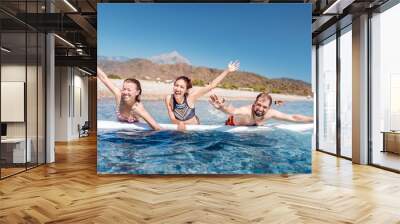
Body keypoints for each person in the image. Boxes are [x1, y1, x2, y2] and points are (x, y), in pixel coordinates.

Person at [165, 61, 240, 131]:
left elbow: (212, 85)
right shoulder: (169, 99)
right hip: (181, 129)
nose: (178, 88)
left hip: (195, 131)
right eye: (176, 85)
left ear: (186, 90)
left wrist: (227, 70)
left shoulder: (191, 97)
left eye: (181, 87)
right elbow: (172, 118)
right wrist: (180, 123)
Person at [209, 92, 313, 126]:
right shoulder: (246, 111)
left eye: (264, 107)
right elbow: (233, 111)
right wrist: (222, 107)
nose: (260, 109)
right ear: (254, 104)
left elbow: (293, 117)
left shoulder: (270, 113)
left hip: (253, 126)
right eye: (258, 105)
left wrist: (314, 119)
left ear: (268, 108)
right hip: (232, 125)